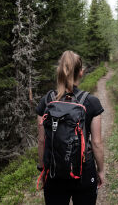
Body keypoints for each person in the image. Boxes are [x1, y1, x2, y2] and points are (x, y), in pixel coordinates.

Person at [36, 50, 105, 205]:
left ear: (59, 71)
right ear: (81, 72)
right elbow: (97, 143)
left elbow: (42, 140)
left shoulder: (46, 101)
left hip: (53, 173)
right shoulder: (91, 102)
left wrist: (42, 169)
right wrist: (100, 170)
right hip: (83, 171)